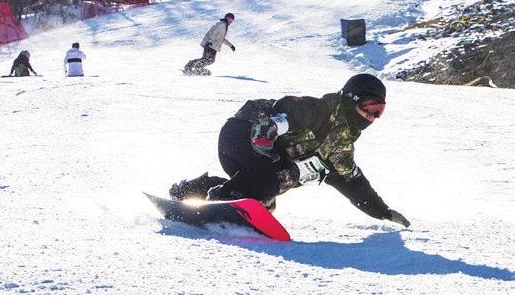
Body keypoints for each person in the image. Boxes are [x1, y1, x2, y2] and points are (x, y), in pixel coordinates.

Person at [169, 73, 410, 227]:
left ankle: (191, 191)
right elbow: (288, 113)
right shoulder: (319, 109)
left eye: (379, 111)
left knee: (262, 199)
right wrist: (272, 128)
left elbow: (355, 184)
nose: (372, 116)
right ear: (351, 98)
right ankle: (222, 201)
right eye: (368, 106)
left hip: (256, 162)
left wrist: (384, 212)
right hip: (241, 135)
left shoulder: (340, 150)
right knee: (281, 173)